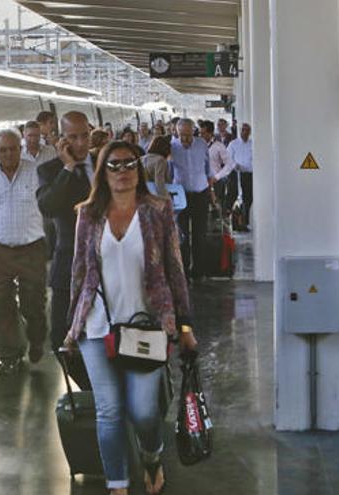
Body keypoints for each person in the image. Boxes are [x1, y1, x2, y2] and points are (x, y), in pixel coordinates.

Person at [65, 140, 198, 495]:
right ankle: (117, 485)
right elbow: (79, 272)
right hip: (97, 326)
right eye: (114, 165)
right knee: (108, 411)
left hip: (147, 328)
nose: (122, 172)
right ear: (102, 172)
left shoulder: (157, 210)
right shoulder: (88, 214)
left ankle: (151, 455)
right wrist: (71, 324)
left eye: (129, 164)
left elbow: (174, 269)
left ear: (138, 169)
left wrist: (184, 325)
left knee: (143, 412)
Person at [0, 128, 48, 375]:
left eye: (13, 148)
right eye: (2, 149)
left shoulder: (36, 173)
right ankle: (10, 354)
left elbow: (49, 205)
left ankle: (36, 339)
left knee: (32, 304)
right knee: (1, 304)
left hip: (32, 248)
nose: (8, 154)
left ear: (20, 148)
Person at [35, 111, 95, 390]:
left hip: (107, 262)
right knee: (60, 335)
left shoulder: (106, 164)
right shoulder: (49, 171)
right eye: (73, 137)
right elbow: (48, 206)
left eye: (85, 135)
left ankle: (105, 391)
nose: (81, 143)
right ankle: (89, 388)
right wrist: (68, 168)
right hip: (68, 263)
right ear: (62, 139)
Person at [170, 118, 211, 281]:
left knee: (200, 235)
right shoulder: (172, 147)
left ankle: (199, 270)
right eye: (182, 136)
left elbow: (208, 166)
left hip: (201, 193)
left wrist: (211, 183)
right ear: (177, 133)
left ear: (193, 131)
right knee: (182, 235)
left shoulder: (202, 144)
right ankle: (184, 270)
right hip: (180, 195)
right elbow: (167, 171)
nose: (185, 139)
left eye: (188, 135)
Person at [199, 120, 237, 214]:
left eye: (203, 133)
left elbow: (230, 164)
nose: (201, 136)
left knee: (217, 209)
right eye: (200, 133)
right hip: (200, 182)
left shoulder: (219, 146)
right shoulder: (197, 146)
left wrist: (217, 177)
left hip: (216, 183)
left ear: (210, 133)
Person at [227, 123, 253, 231]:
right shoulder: (233, 144)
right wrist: (235, 165)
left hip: (249, 174)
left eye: (247, 130)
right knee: (236, 196)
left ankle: (246, 221)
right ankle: (236, 221)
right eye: (243, 130)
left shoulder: (253, 144)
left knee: (248, 198)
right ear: (240, 131)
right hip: (237, 173)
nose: (245, 132)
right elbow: (228, 158)